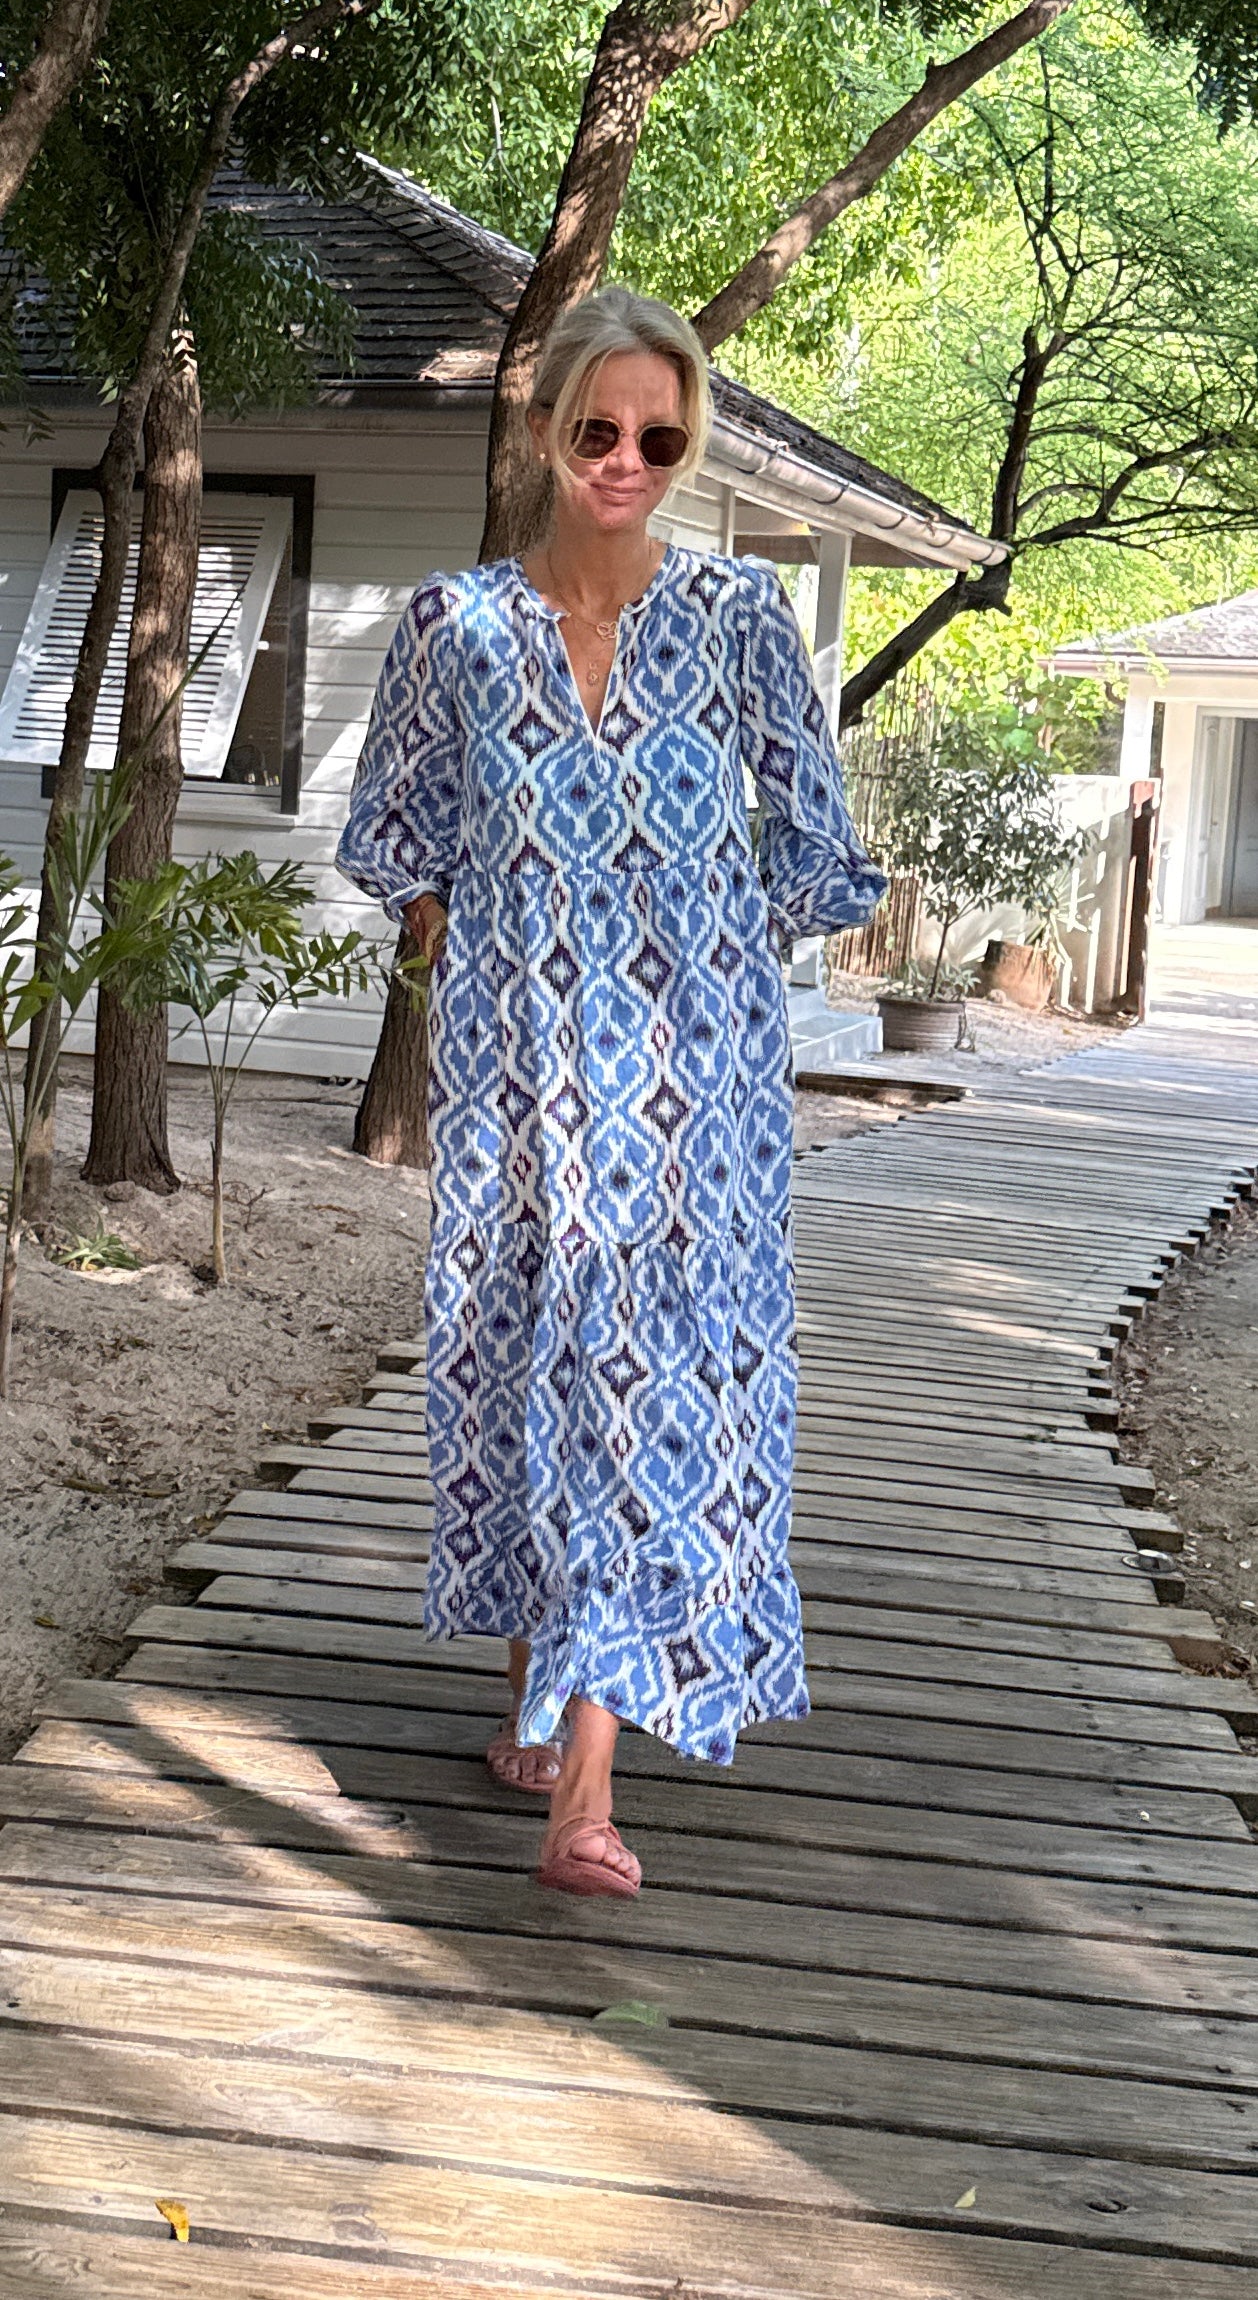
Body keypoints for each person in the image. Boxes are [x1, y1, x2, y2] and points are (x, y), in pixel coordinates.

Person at [337, 286, 885, 1899]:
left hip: (694, 1093)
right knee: (532, 1357)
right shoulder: (455, 626)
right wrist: (483, 931)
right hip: (518, 1080)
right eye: (598, 430)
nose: (628, 460)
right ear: (542, 433)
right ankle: (538, 1687)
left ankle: (583, 1784)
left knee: (643, 1388)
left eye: (660, 435)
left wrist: (693, 934)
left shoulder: (733, 616)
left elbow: (818, 844)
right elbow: (391, 832)